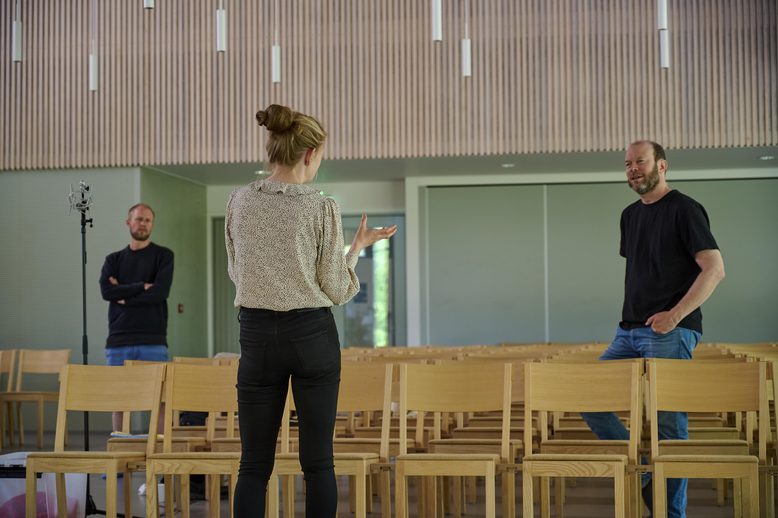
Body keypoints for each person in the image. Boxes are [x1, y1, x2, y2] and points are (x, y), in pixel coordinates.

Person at [227, 104, 396, 517]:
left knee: (253, 465)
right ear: (310, 153)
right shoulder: (320, 207)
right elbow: (337, 289)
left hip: (256, 337)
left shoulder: (239, 201)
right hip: (310, 337)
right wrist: (355, 251)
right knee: (318, 464)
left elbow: (237, 271)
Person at [580, 141, 725, 518]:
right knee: (587, 397)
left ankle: (671, 514)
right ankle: (645, 473)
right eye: (627, 163)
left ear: (662, 165)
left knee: (669, 426)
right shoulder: (629, 215)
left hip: (670, 331)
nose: (632, 168)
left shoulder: (684, 208)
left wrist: (674, 315)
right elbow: (645, 272)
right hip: (628, 330)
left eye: (640, 161)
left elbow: (715, 269)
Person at [99, 203, 174, 432]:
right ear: (128, 222)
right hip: (119, 340)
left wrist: (123, 296)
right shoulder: (113, 260)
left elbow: (159, 293)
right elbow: (107, 292)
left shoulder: (163, 255)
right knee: (119, 402)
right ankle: (120, 454)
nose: (143, 224)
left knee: (161, 401)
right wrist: (141, 286)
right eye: (139, 219)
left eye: (148, 220)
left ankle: (160, 452)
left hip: (153, 340)